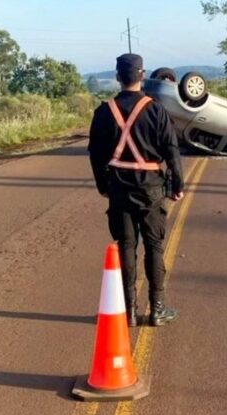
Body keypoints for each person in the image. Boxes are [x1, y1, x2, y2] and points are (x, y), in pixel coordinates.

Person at [88, 53, 185, 328]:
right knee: (154, 248)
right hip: (152, 190)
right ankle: (157, 309)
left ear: (118, 77)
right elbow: (172, 152)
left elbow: (95, 155)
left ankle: (128, 311)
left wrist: (102, 186)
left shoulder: (104, 112)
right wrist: (177, 185)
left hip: (119, 190)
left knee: (126, 249)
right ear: (142, 76)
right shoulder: (156, 110)